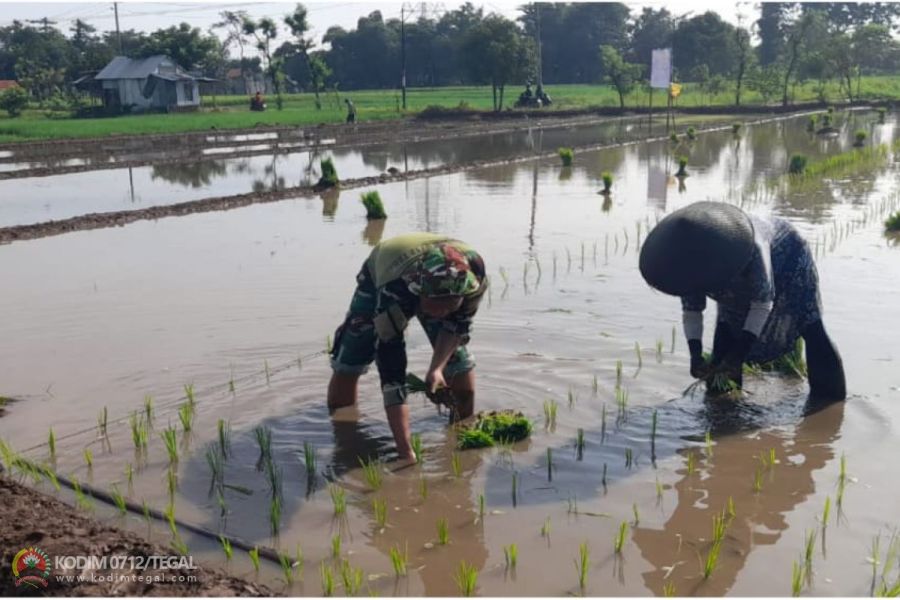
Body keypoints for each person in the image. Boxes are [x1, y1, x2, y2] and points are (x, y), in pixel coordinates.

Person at [638, 201, 846, 401]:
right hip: (734, 282)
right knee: (725, 333)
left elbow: (762, 304)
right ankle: (725, 412)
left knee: (811, 326)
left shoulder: (753, 249)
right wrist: (696, 355)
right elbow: (692, 311)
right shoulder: (689, 264)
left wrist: (739, 354)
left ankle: (828, 402)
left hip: (787, 258)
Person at [327, 233, 488, 462]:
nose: (440, 313)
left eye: (448, 306)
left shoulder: (473, 277)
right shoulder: (396, 291)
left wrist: (436, 369)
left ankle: (461, 433)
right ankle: (343, 431)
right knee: (351, 356)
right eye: (433, 307)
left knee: (458, 363)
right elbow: (392, 374)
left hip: (437, 282)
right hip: (383, 272)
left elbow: (457, 325)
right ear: (418, 294)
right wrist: (406, 454)